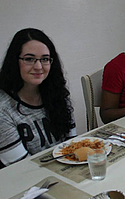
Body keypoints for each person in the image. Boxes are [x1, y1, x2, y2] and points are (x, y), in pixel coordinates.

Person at [0, 28, 76, 168]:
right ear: (14, 61)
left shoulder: (57, 93)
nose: (38, 66)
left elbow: (72, 144)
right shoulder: (3, 109)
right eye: (29, 59)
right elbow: (21, 168)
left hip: (65, 171)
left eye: (45, 59)